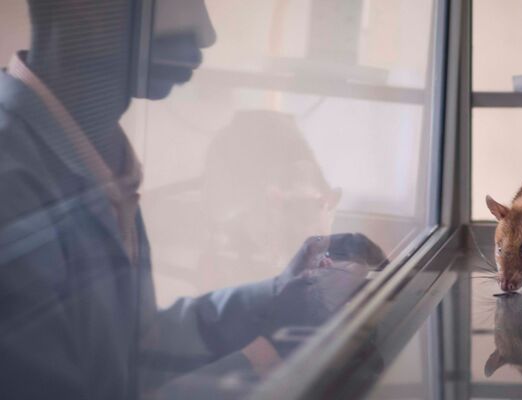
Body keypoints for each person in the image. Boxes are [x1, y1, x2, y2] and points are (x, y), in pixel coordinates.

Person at [0, 1, 383, 399]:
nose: (206, 32)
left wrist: (279, 296)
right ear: (85, 8)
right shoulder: (10, 188)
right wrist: (273, 354)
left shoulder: (94, 154)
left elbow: (137, 348)